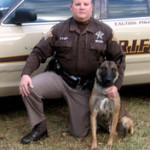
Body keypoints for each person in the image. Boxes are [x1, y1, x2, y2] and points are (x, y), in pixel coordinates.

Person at [19, 0, 125, 144]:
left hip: (84, 88)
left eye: (86, 4)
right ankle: (40, 128)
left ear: (91, 7)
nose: (82, 7)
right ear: (71, 7)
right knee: (30, 87)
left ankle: (93, 117)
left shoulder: (104, 30)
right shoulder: (59, 29)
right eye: (77, 4)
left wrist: (116, 86)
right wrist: (26, 74)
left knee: (79, 133)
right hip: (60, 79)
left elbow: (120, 58)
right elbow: (38, 52)